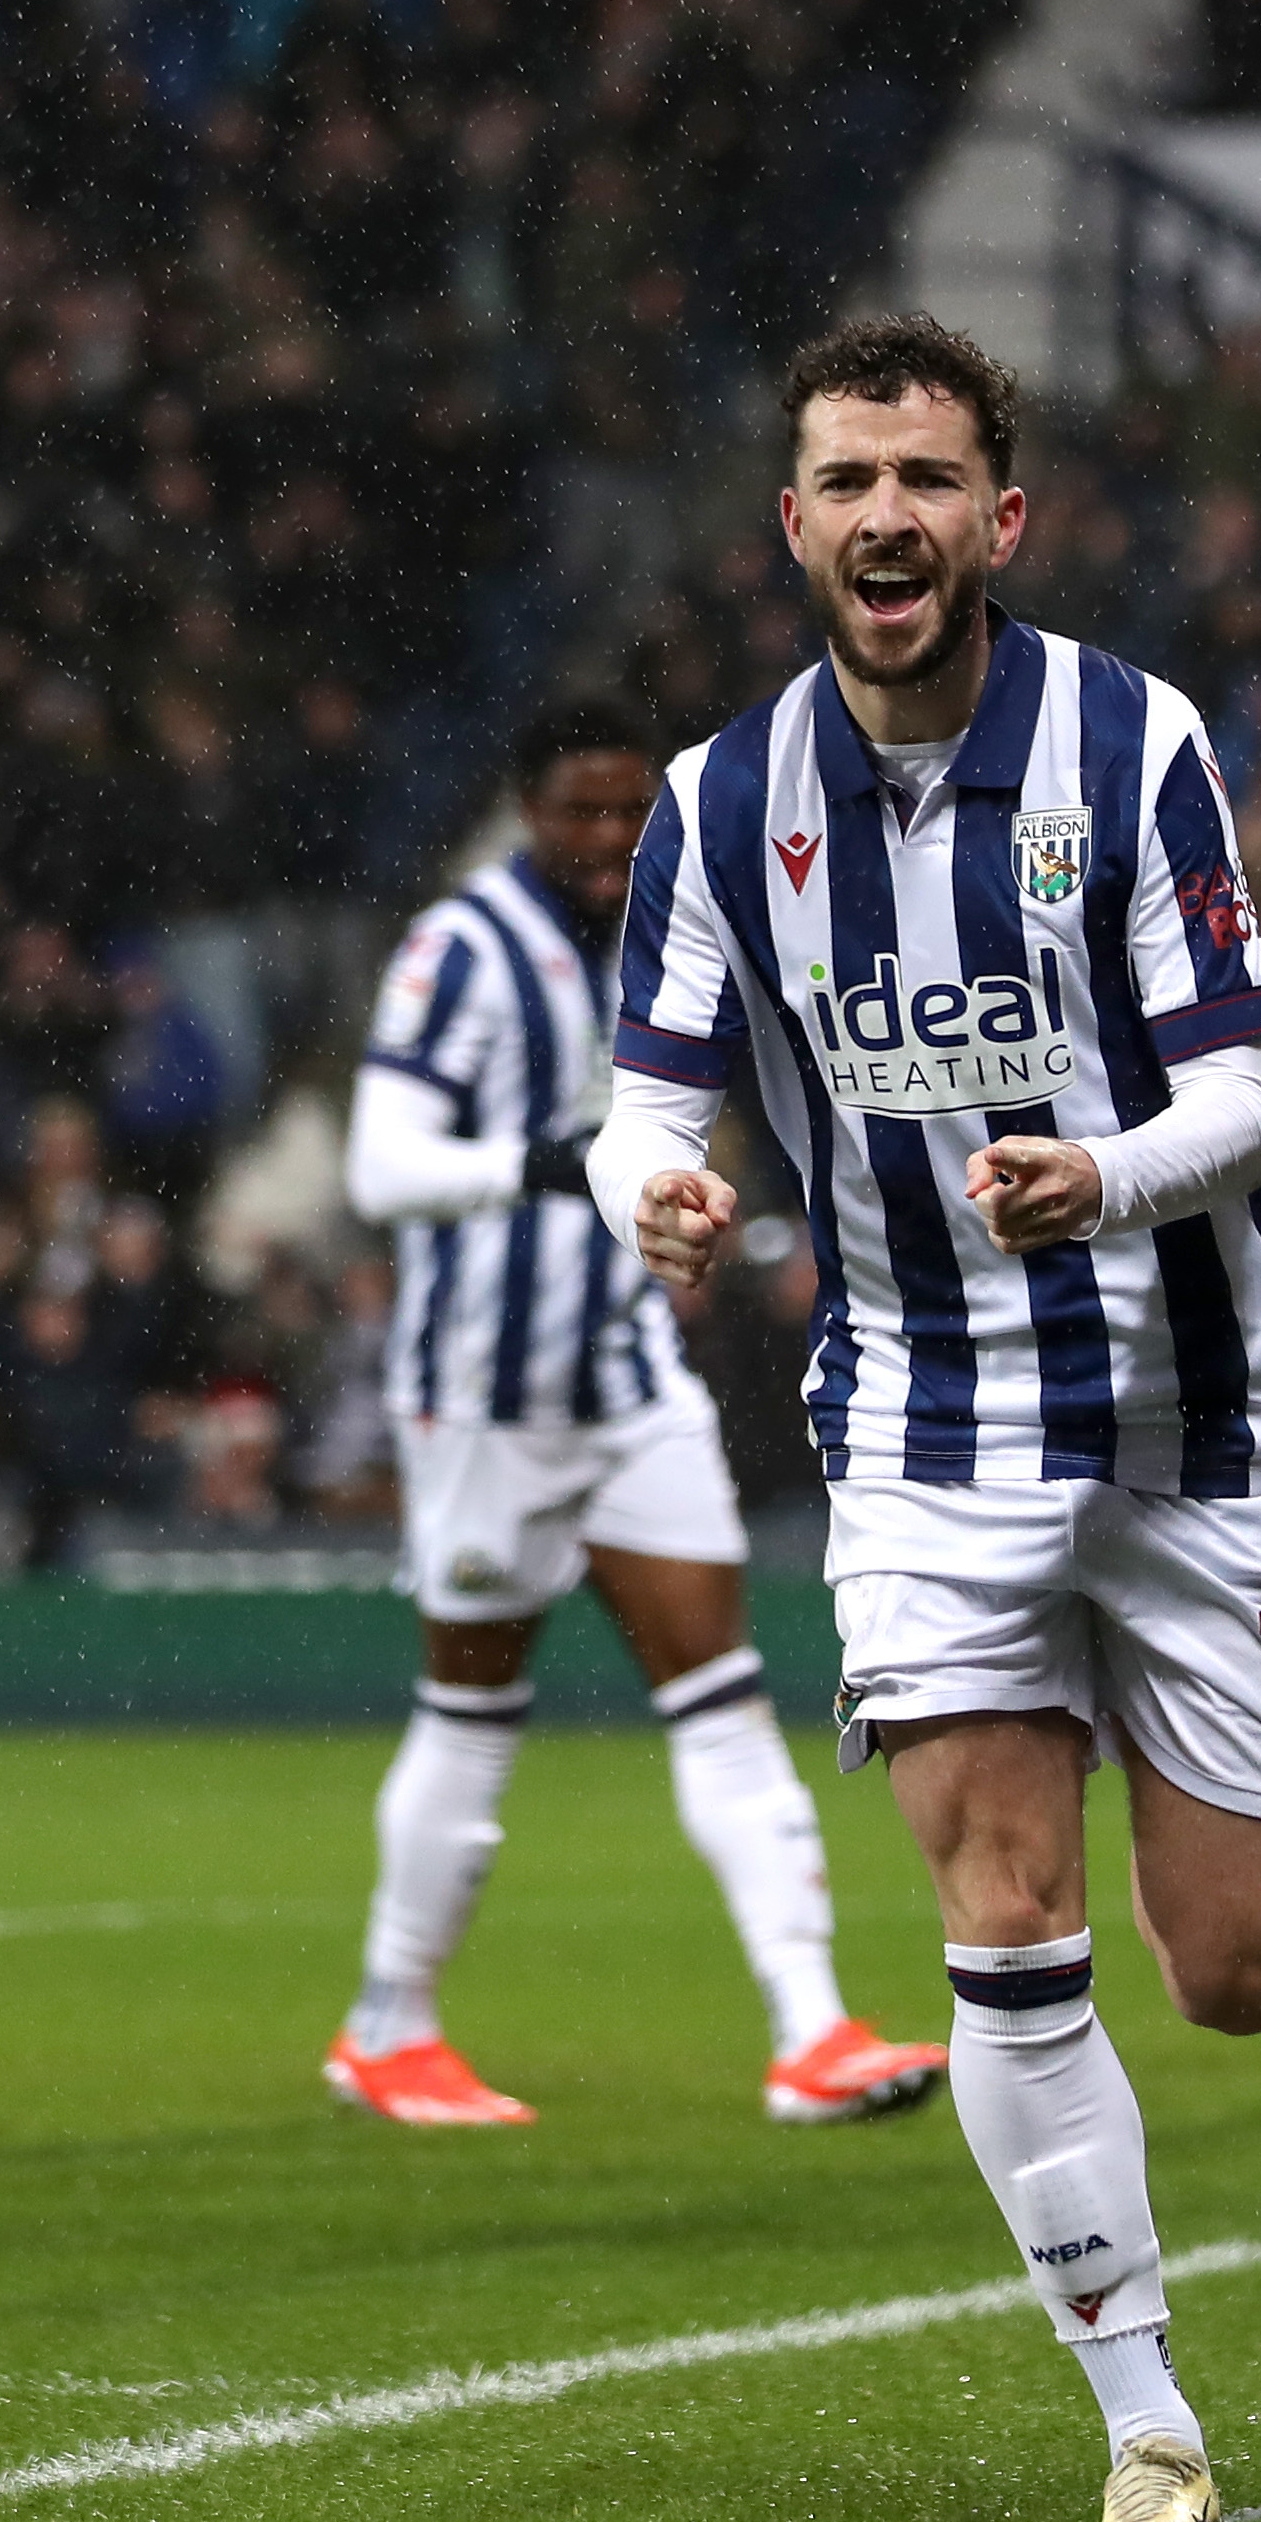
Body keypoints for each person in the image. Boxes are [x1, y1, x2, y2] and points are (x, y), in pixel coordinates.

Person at [591, 315, 1261, 2522]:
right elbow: (647, 1101)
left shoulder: (1131, 749)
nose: (888, 518)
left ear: (999, 519)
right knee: (1002, 1922)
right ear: (793, 527)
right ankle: (1147, 2424)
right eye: (848, 480)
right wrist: (650, 1191)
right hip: (924, 1432)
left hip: (1179, 1416)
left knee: (1227, 1975)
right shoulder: (715, 803)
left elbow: (1238, 1095)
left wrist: (1100, 1172)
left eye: (930, 479)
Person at [329, 696, 947, 2130]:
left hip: (625, 1380)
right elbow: (381, 1163)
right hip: (485, 1394)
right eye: (581, 812)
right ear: (527, 813)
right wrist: (560, 1169)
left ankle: (812, 2031)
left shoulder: (671, 920)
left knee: (723, 1695)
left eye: (629, 811)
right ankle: (388, 2023)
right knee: (472, 1710)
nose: (610, 841)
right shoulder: (462, 948)